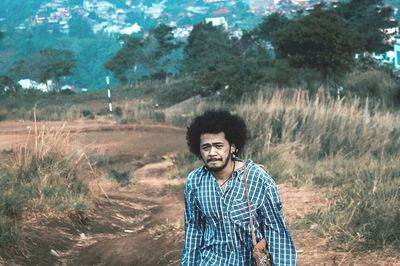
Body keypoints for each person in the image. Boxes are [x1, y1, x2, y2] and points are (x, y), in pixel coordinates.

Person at [181, 110, 296, 266]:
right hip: (211, 261)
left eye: (218, 146)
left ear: (233, 147)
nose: (212, 152)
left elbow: (276, 231)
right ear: (199, 150)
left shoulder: (258, 179)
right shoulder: (195, 181)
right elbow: (193, 229)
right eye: (206, 147)